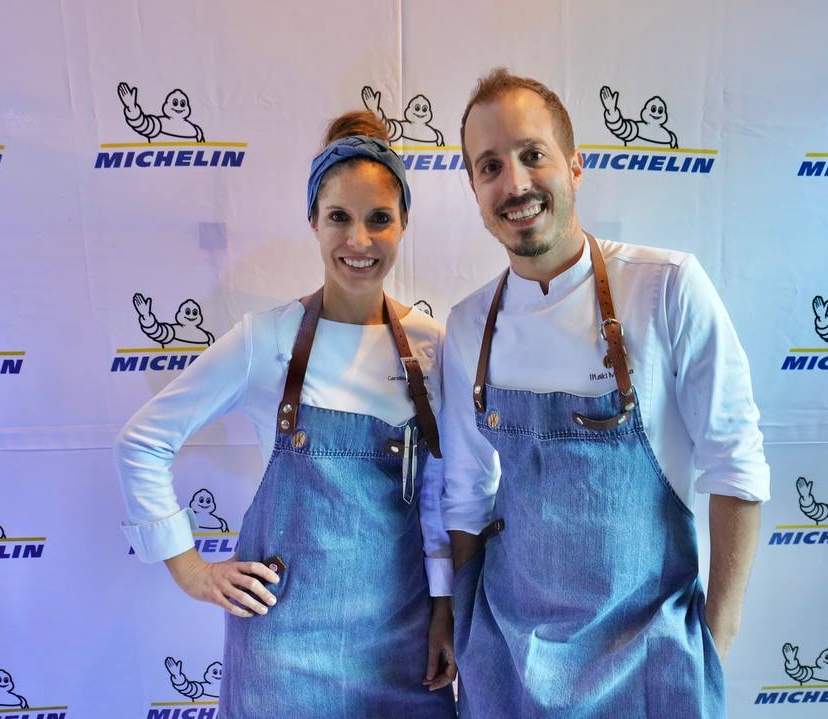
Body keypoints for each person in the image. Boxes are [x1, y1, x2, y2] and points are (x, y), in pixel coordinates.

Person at [442, 69, 771, 717]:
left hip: (648, 667)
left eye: (533, 154)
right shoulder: (468, 326)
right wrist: (465, 632)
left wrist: (712, 643)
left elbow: (736, 464)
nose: (515, 183)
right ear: (475, 190)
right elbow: (465, 495)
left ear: (575, 166)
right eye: (490, 166)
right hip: (507, 668)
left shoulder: (665, 288)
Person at [115, 110, 456, 717]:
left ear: (403, 223)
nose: (359, 241)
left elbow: (438, 498)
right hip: (283, 655)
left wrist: (444, 608)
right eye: (339, 217)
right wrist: (190, 569)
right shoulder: (266, 340)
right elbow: (142, 442)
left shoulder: (432, 347)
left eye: (379, 219)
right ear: (313, 221)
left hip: (402, 648)